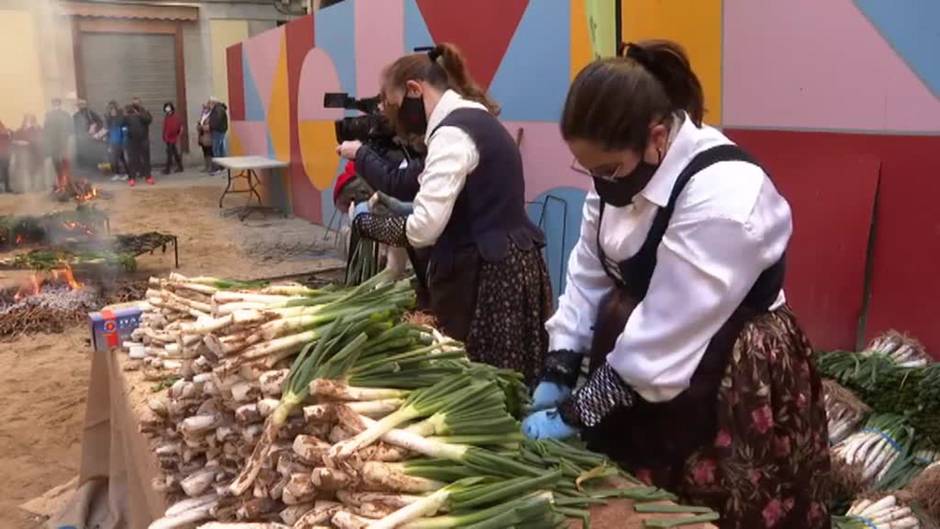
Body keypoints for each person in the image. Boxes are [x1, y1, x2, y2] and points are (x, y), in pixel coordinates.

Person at [521, 41, 830, 528]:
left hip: (726, 365)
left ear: (657, 137)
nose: (599, 184)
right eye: (588, 169)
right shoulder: (619, 176)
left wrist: (578, 411)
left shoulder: (726, 195)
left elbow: (668, 328)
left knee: (708, 509)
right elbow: (587, 271)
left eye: (607, 169)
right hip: (642, 359)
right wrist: (561, 361)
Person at [348, 43, 553, 384]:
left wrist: (368, 224)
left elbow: (423, 229)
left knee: (480, 387)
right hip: (505, 265)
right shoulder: (472, 119)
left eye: (393, 104)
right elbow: (413, 182)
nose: (393, 117)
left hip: (489, 279)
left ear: (415, 90)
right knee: (502, 385)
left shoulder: (452, 134)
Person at [43, 98, 72, 189]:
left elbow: (70, 127)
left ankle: (66, 180)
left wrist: (68, 137)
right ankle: (59, 181)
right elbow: (46, 129)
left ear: (60, 104)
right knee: (56, 162)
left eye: (57, 103)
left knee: (65, 161)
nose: (56, 105)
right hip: (53, 143)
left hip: (63, 141)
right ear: (52, 105)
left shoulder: (65, 114)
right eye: (54, 103)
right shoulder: (49, 115)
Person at [124, 98, 153, 186]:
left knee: (146, 159)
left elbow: (148, 120)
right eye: (134, 103)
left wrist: (139, 114)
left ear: (140, 103)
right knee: (132, 160)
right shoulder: (128, 112)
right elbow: (122, 123)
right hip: (132, 140)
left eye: (137, 103)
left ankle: (148, 177)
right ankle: (132, 178)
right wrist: (124, 115)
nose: (135, 104)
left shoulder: (145, 111)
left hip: (143, 139)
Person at [72, 99, 103, 173]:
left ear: (85, 105)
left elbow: (100, 122)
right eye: (79, 105)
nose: (80, 106)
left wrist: (95, 129)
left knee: (93, 154)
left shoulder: (91, 113)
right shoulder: (76, 116)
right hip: (82, 139)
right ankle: (87, 171)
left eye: (82, 104)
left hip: (91, 138)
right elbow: (73, 127)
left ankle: (96, 170)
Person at [105, 101, 128, 180]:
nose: (112, 112)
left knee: (118, 159)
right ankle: (119, 173)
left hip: (119, 143)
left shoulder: (121, 121)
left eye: (114, 111)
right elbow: (108, 133)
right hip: (113, 143)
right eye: (111, 111)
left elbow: (125, 131)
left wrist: (124, 143)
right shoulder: (110, 121)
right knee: (118, 159)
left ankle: (123, 174)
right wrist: (108, 145)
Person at [162, 102, 184, 174]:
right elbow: (165, 127)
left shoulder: (175, 116)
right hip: (168, 138)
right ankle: (180, 167)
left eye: (168, 107)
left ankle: (167, 169)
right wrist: (164, 136)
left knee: (169, 153)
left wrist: (176, 135)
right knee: (175, 153)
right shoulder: (167, 117)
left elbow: (177, 127)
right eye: (166, 107)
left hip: (172, 137)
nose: (167, 108)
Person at [208, 97, 228, 174]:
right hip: (220, 131)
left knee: (216, 150)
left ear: (213, 102)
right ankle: (222, 167)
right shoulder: (218, 109)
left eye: (210, 102)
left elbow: (216, 121)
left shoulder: (217, 110)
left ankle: (217, 168)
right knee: (221, 150)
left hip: (218, 131)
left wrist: (210, 126)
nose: (209, 104)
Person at [197, 102, 213, 172]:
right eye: (203, 109)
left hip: (208, 138)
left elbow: (210, 127)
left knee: (209, 153)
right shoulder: (202, 117)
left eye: (205, 108)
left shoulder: (210, 117)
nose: (204, 110)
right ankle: (206, 166)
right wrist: (198, 127)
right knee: (205, 153)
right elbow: (199, 125)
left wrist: (202, 127)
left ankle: (210, 167)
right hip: (202, 137)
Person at [0, 120, 11, 192]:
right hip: (3, 153)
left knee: (5, 171)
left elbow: (9, 138)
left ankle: (7, 188)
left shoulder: (4, 130)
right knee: (4, 171)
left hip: (5, 153)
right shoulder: (4, 131)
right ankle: (6, 188)